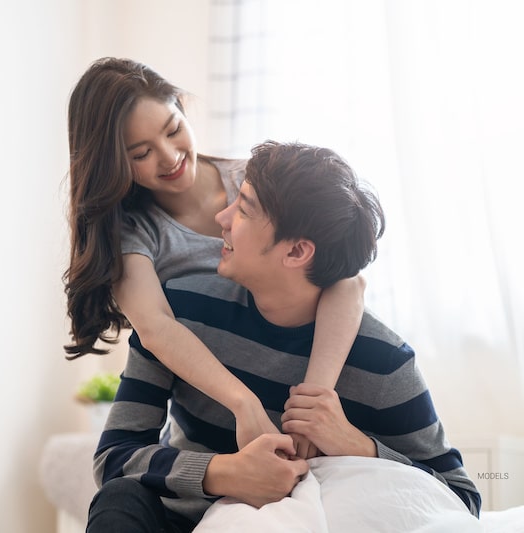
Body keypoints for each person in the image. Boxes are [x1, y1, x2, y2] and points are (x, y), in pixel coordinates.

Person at [86, 140, 481, 532]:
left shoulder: (383, 361)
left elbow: (460, 499)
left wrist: (357, 445)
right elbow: (114, 458)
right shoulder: (183, 311)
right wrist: (225, 472)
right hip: (182, 522)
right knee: (119, 501)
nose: (221, 218)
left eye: (242, 209)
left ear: (295, 253)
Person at [63, 57, 366, 455]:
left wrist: (314, 402)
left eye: (173, 130)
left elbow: (346, 280)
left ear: (182, 109)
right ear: (113, 162)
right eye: (141, 153)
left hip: (306, 410)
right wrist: (243, 403)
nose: (170, 157)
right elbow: (155, 329)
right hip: (211, 433)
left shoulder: (254, 181)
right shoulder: (133, 234)